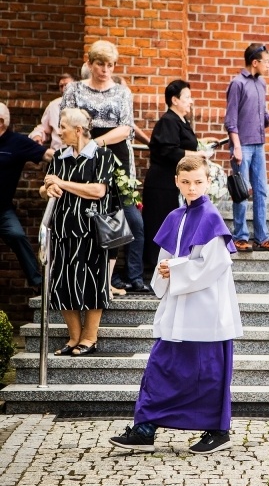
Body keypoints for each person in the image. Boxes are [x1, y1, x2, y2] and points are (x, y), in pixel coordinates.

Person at [109, 155, 242, 453]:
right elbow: (163, 261)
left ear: (208, 182)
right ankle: (145, 428)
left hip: (207, 311)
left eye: (198, 182)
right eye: (185, 182)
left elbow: (215, 264)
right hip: (178, 308)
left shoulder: (211, 218)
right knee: (161, 367)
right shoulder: (174, 217)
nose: (191, 188)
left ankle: (217, 430)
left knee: (209, 372)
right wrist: (166, 271)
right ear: (176, 182)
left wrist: (177, 269)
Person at [61, 40, 147, 295]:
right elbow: (66, 123)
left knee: (118, 218)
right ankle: (80, 278)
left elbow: (126, 127)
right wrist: (84, 148)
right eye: (100, 64)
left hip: (116, 156)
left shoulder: (122, 92)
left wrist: (97, 143)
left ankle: (105, 283)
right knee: (87, 217)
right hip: (82, 156)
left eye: (110, 65)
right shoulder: (75, 89)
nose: (106, 70)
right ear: (90, 63)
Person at [40, 108, 115, 356]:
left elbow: (98, 191)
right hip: (62, 229)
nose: (59, 131)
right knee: (62, 283)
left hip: (92, 230)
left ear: (78, 130)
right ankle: (74, 338)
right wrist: (48, 189)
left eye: (62, 126)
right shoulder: (59, 156)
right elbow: (46, 187)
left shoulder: (102, 155)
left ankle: (90, 337)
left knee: (92, 282)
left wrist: (61, 183)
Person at [144, 80, 214, 270]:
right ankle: (154, 270)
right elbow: (169, 150)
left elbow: (184, 145)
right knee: (162, 226)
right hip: (163, 185)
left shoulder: (180, 120)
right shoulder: (168, 120)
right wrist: (197, 155)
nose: (191, 101)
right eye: (187, 97)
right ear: (174, 100)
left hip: (173, 184)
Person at [224, 42, 269, 253]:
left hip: (259, 146)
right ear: (255, 62)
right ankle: (240, 237)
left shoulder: (261, 84)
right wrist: (237, 147)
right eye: (266, 62)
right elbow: (230, 120)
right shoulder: (237, 83)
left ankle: (262, 237)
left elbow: (263, 114)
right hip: (243, 147)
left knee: (261, 191)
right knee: (241, 192)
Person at [0, 102, 54, 290]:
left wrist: (77, 158)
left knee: (17, 235)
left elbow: (48, 155)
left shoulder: (17, 142)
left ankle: (38, 283)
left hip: (2, 210)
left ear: (1, 122)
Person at [29, 73, 75, 150]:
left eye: (67, 85)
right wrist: (37, 135)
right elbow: (44, 128)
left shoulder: (85, 105)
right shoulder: (53, 105)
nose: (64, 89)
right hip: (57, 154)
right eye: (61, 86)